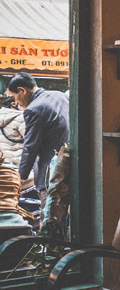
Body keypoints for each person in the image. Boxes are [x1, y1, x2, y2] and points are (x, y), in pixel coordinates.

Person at [6, 73, 69, 204]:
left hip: (51, 174)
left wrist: (20, 179)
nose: (16, 102)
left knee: (49, 218)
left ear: (22, 90)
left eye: (14, 97)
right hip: (71, 168)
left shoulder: (33, 109)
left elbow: (30, 147)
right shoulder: (60, 95)